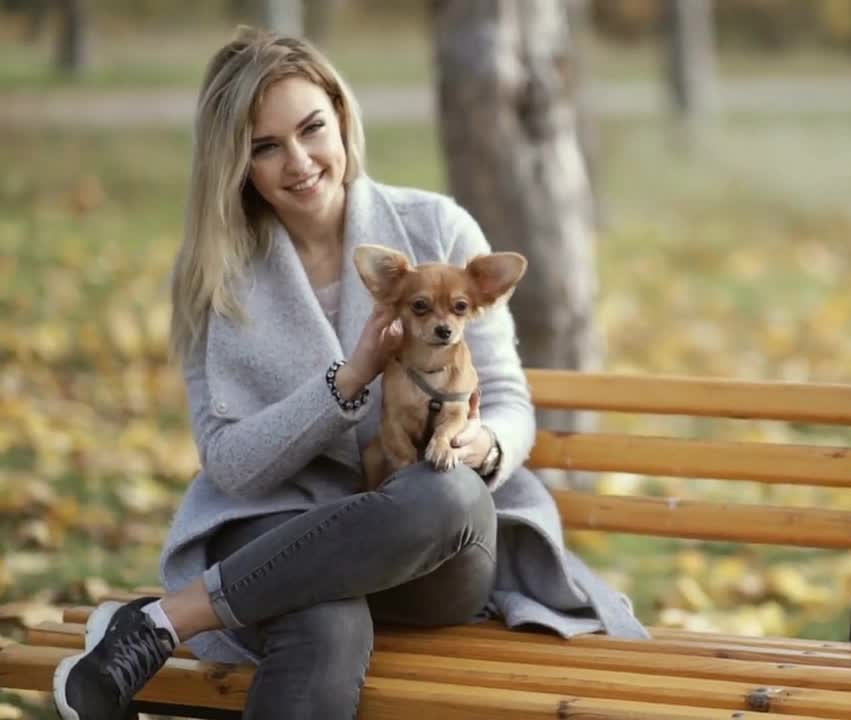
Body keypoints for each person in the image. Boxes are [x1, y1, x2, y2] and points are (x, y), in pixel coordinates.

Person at [52, 26, 647, 720]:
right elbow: (231, 466)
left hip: (432, 553)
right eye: (265, 146)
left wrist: (485, 445)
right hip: (271, 532)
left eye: (312, 129)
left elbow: (509, 398)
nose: (299, 162)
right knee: (323, 624)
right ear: (234, 163)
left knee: (448, 494)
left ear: (342, 119)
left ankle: (165, 620)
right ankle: (176, 622)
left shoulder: (438, 228)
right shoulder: (217, 278)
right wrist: (349, 378)